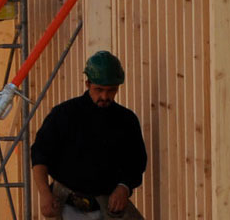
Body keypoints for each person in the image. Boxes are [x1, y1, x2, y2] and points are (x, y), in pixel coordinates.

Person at [30, 51, 148, 219]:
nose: (105, 96)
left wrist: (124, 187)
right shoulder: (63, 115)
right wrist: (44, 193)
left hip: (108, 203)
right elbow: (40, 156)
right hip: (67, 202)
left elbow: (136, 162)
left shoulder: (126, 120)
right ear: (87, 84)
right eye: (99, 90)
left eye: (111, 90)